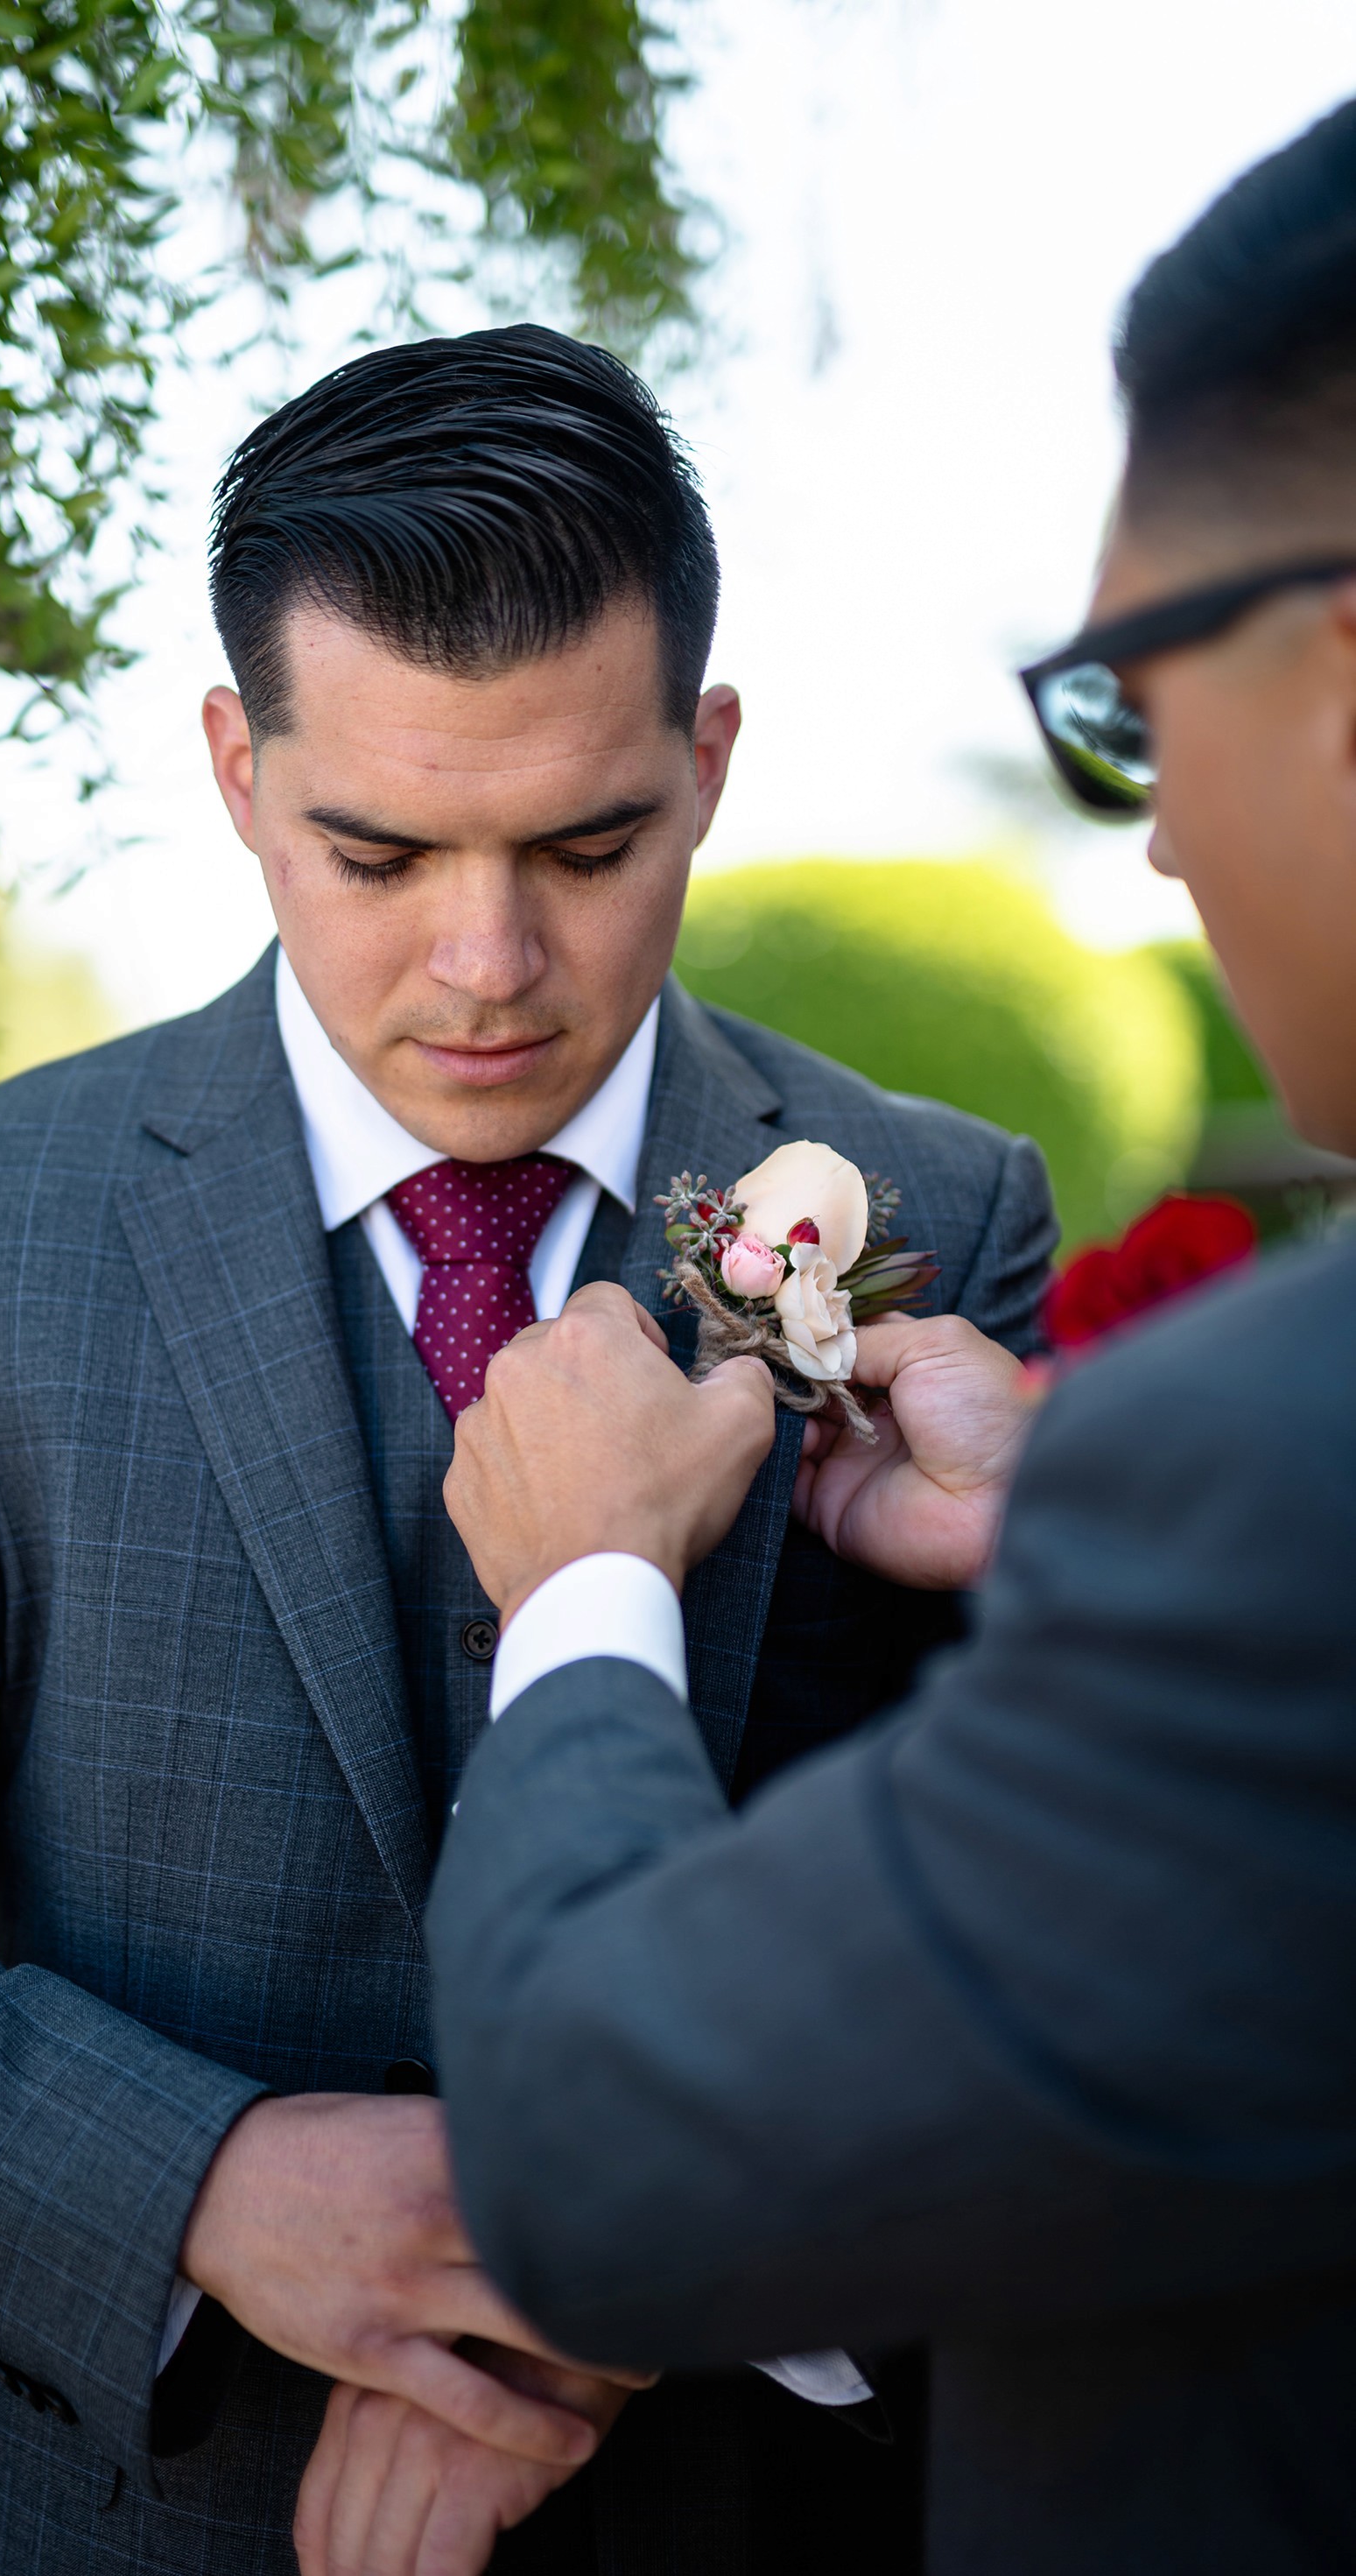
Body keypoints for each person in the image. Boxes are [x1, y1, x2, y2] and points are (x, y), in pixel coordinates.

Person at [0, 326, 1055, 2576]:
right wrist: (204, 2188)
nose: (486, 961)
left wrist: (601, 2297)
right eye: (379, 849)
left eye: (586, 844)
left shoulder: (933, 1213)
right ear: (234, 765)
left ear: (703, 765)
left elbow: (1030, 1914)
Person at [417, 105, 1356, 2576]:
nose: (1148, 835)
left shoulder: (1247, 1446)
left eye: (1126, 702)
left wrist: (589, 1590)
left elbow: (620, 2162)